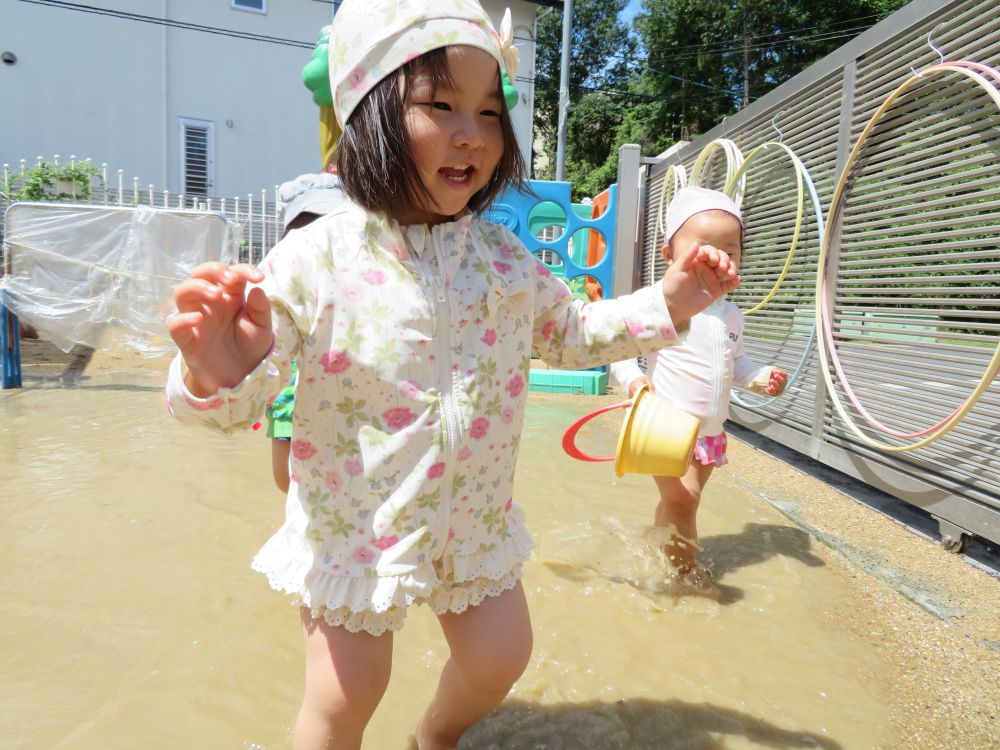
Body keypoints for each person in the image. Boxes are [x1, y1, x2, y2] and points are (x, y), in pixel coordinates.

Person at [164, 2, 738, 747]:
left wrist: (673, 300)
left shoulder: (502, 258)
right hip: (358, 535)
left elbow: (570, 333)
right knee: (344, 696)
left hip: (473, 527)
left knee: (502, 657)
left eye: (490, 112)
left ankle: (434, 736)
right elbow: (231, 408)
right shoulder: (320, 257)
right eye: (440, 105)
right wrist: (216, 373)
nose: (472, 131)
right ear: (368, 116)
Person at [610, 186, 787, 601]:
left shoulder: (731, 315)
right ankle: (686, 578)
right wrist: (634, 380)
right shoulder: (659, 306)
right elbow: (616, 350)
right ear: (669, 254)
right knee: (684, 501)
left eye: (731, 248)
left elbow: (734, 365)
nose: (720, 257)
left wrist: (759, 377)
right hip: (666, 427)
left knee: (680, 507)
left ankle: (657, 548)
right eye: (705, 247)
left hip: (709, 433)